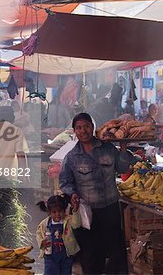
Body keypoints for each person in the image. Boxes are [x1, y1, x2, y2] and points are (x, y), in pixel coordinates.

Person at [59, 112, 134, 274]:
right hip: (88, 215)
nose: (83, 131)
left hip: (110, 210)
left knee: (116, 255)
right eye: (79, 128)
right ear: (74, 131)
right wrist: (72, 194)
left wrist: (123, 149)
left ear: (93, 128)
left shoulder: (108, 149)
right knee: (91, 257)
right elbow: (65, 183)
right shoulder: (71, 158)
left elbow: (123, 169)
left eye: (86, 126)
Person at [36, 195, 81, 275]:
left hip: (66, 255)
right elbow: (38, 233)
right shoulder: (44, 224)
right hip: (50, 256)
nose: (57, 214)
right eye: (54, 212)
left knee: (65, 272)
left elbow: (77, 224)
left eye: (60, 211)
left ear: (64, 210)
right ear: (49, 212)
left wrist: (75, 210)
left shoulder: (69, 220)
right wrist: (42, 242)